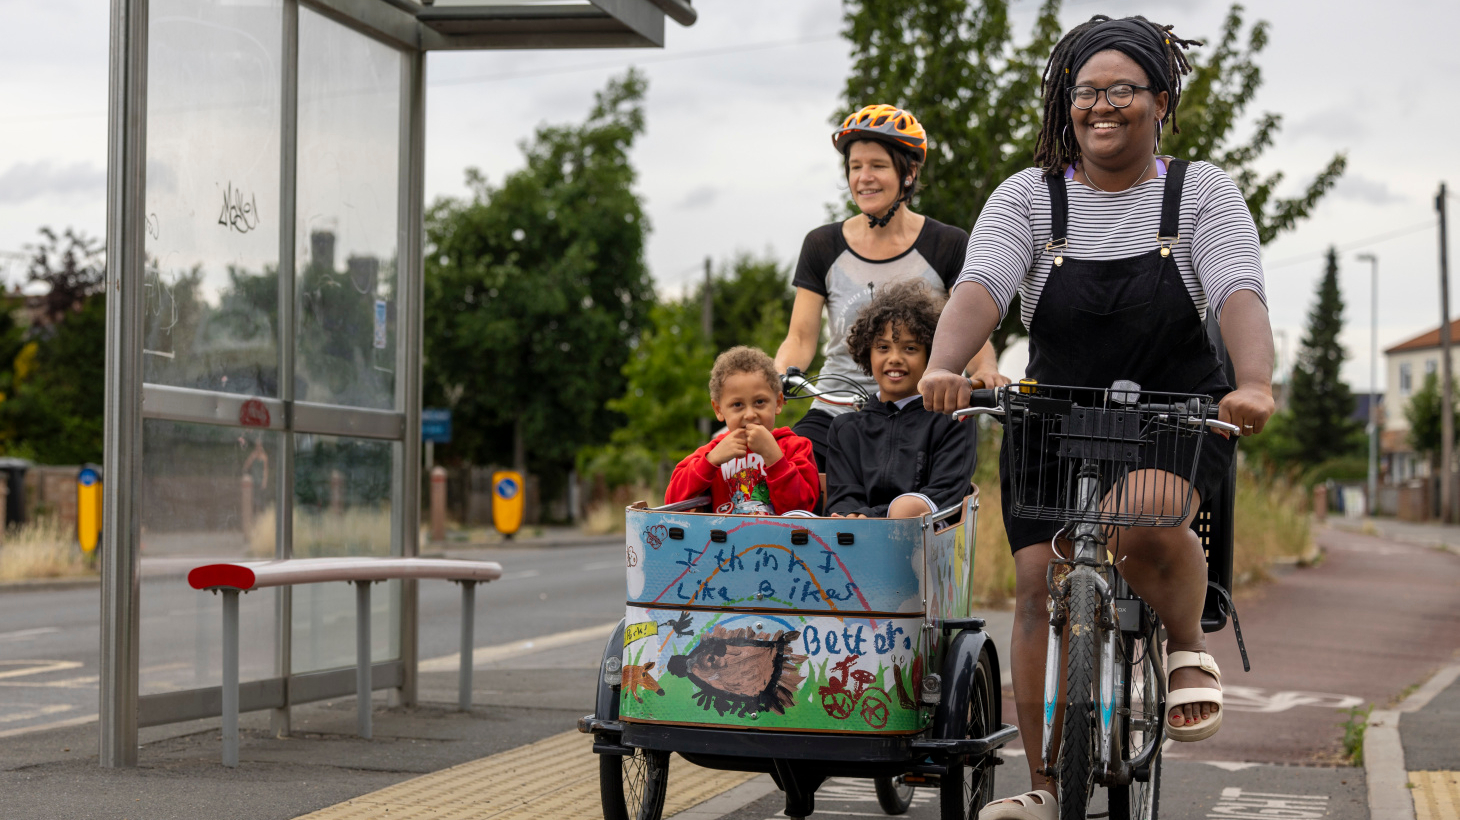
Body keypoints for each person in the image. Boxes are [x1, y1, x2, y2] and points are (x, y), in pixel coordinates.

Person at [918, 15, 1276, 817]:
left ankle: (1186, 645)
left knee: (1141, 520)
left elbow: (1236, 291)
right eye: (1084, 91)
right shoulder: (1029, 197)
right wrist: (945, 364)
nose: (1100, 106)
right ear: (1064, 102)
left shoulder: (1201, 193)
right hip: (1055, 419)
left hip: (1174, 416)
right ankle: (1044, 787)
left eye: (1121, 89)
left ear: (1159, 99)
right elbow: (981, 287)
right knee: (1041, 578)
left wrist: (1252, 382)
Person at [774, 104, 1008, 473]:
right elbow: (801, 338)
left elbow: (969, 326)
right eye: (855, 167)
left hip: (920, 409)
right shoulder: (822, 245)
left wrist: (988, 368)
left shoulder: (947, 244)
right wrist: (777, 376)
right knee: (787, 471)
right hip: (837, 407)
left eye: (877, 166)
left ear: (909, 172)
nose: (863, 177)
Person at [825, 280, 975, 520]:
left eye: (910, 348)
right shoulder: (845, 429)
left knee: (905, 507)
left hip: (927, 541)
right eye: (883, 347)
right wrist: (850, 514)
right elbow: (844, 494)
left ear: (930, 355)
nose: (894, 358)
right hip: (858, 542)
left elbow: (946, 491)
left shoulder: (953, 419)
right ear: (867, 353)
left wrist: (876, 516)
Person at [664, 346, 820, 516]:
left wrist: (774, 458)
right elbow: (672, 503)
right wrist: (711, 461)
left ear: (778, 402)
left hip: (780, 542)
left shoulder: (795, 447)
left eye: (760, 402)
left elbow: (802, 511)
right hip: (724, 541)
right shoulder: (713, 452)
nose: (750, 414)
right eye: (737, 405)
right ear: (719, 409)